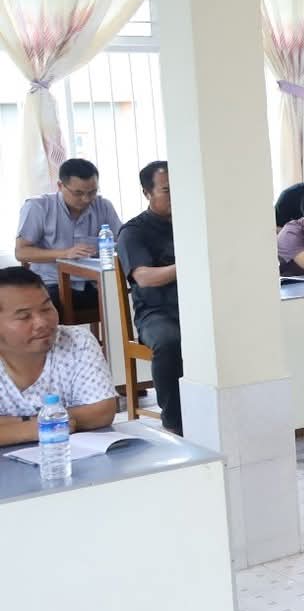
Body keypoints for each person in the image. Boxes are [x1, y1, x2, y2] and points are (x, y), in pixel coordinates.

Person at [0, 265, 117, 444]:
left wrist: (14, 427)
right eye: (24, 317)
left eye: (46, 309)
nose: (41, 323)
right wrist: (29, 430)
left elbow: (101, 412)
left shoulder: (77, 340)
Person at [116, 161, 182, 435]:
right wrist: (189, 264)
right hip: (157, 312)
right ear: (147, 193)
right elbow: (144, 277)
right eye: (167, 190)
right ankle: (176, 424)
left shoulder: (194, 220)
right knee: (169, 341)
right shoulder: (133, 231)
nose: (176, 195)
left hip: (199, 306)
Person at [14, 157, 123, 316]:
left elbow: (121, 242)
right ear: (60, 186)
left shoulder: (103, 206)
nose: (86, 199)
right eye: (78, 193)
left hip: (94, 283)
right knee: (45, 310)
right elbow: (21, 252)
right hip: (52, 284)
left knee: (123, 302)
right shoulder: (38, 207)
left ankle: (106, 342)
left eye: (92, 192)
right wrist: (64, 254)